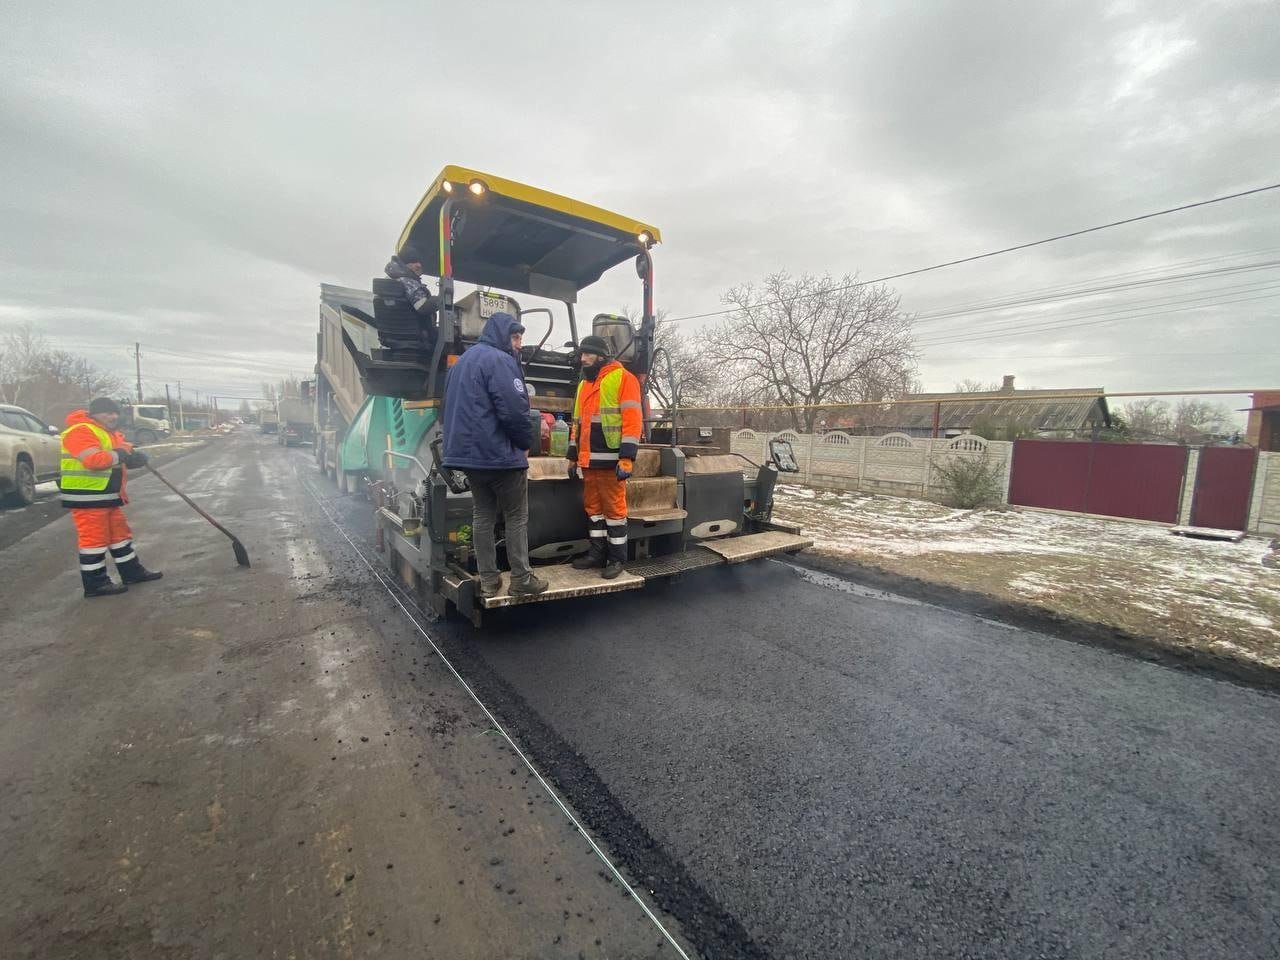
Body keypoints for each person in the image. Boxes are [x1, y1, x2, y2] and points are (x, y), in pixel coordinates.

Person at [441, 311, 548, 598]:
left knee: (482, 515)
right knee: (516, 517)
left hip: (470, 459)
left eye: (521, 338)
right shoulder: (501, 361)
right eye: (515, 337)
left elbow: (447, 410)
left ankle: (488, 580)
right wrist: (526, 442)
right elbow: (513, 411)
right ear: (501, 335)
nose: (518, 344)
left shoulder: (461, 363)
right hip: (500, 456)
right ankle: (521, 579)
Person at [59, 397, 163, 598]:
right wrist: (122, 453)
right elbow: (93, 460)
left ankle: (131, 572)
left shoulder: (107, 433)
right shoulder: (80, 431)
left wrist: (132, 459)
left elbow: (116, 458)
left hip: (107, 495)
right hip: (87, 497)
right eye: (107, 412)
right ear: (94, 413)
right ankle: (96, 584)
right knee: (94, 542)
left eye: (115, 412)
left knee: (120, 537)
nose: (113, 416)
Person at [566, 336, 642, 579]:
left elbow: (632, 421)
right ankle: (597, 554)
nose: (583, 359)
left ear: (601, 356)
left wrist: (627, 457)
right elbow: (576, 424)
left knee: (614, 510)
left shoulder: (624, 378)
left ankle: (617, 559)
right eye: (582, 354)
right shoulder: (584, 384)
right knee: (594, 509)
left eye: (588, 354)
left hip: (612, 460)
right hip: (589, 461)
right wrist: (572, 455)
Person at [384, 245, 436, 315]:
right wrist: (440, 299)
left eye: (419, 262)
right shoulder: (408, 282)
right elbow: (423, 307)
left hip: (391, 324)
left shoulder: (388, 280)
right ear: (404, 264)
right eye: (413, 261)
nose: (419, 265)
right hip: (411, 325)